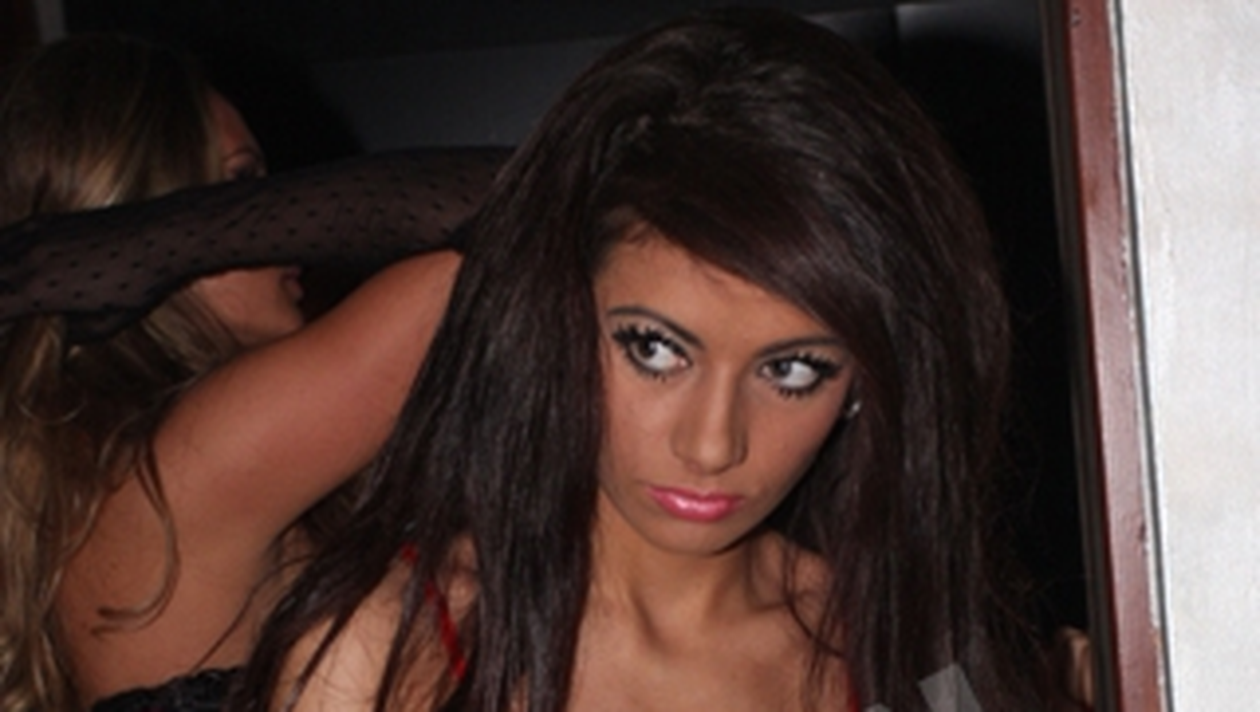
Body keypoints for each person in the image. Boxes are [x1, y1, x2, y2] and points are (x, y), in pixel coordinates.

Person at [221, 8, 1051, 711]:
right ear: (559, 316)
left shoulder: (900, 641)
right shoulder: (383, 653)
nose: (712, 444)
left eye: (792, 370)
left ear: (867, 382)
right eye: (655, 349)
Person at [0, 36, 500, 711]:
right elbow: (521, 215)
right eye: (239, 190)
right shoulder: (187, 460)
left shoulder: (126, 468)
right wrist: (164, 244)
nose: (283, 228)